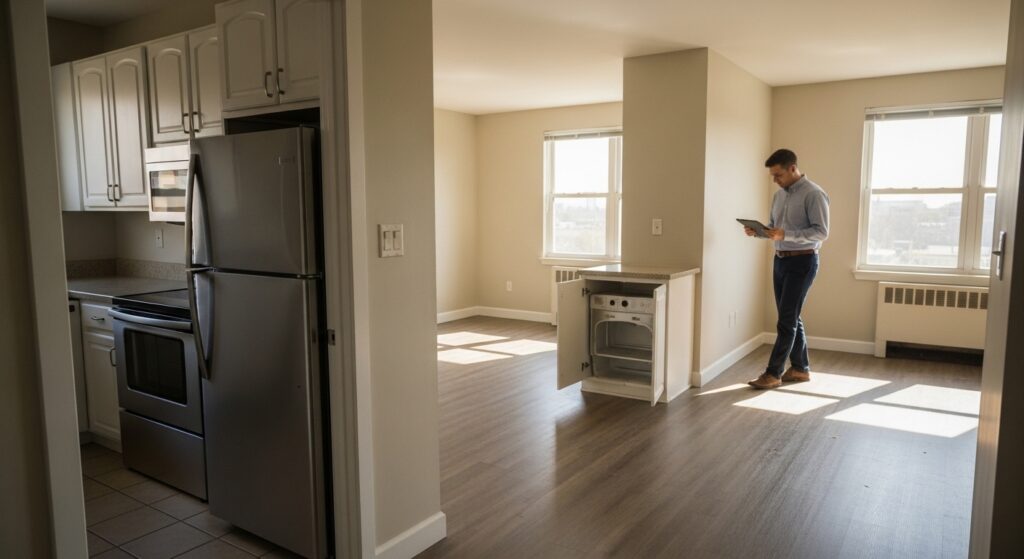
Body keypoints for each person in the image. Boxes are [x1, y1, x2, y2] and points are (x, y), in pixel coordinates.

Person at [744, 149, 830, 389]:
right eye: (772, 176)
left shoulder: (814, 194)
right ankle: (801, 369)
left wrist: (786, 234)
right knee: (790, 316)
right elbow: (774, 229)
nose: (775, 180)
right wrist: (759, 232)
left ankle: (773, 373)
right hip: (780, 260)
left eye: (778, 175)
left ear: (793, 168)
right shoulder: (779, 196)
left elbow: (822, 232)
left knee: (786, 320)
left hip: (803, 262)